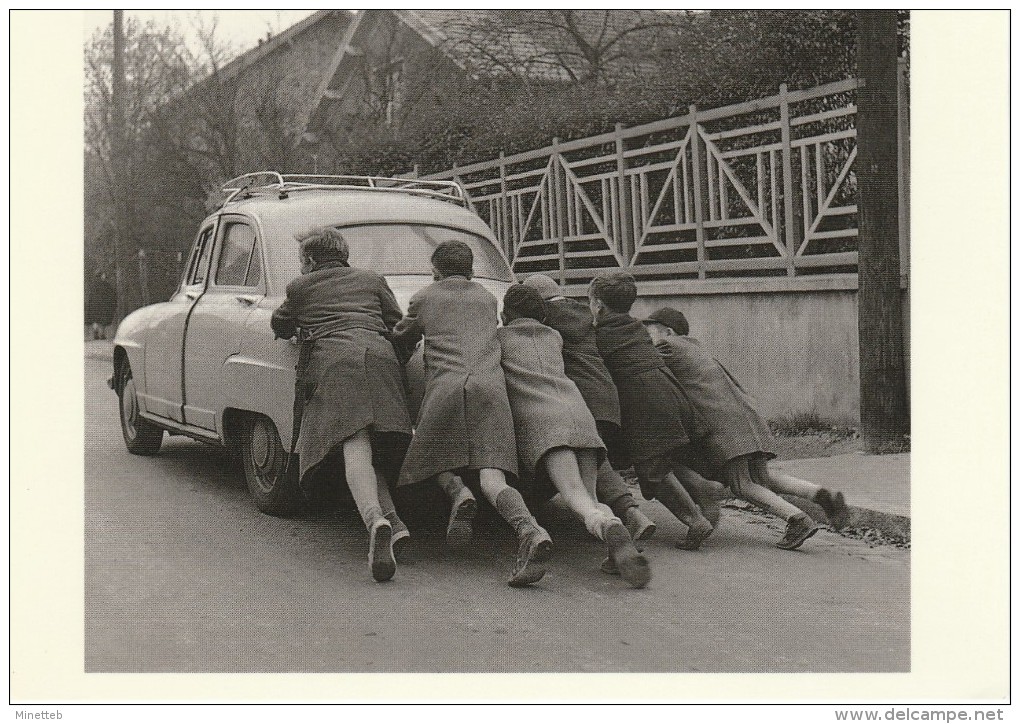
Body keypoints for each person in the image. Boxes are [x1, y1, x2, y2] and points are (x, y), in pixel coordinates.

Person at [391, 240, 552, 587]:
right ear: (471, 269)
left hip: (446, 385)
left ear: (435, 271)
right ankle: (529, 528)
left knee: (430, 452)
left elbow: (403, 337)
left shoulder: (425, 296)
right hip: (490, 389)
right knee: (493, 477)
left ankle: (457, 492)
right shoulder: (486, 297)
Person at [271, 227, 413, 582]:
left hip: (336, 364)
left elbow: (281, 324)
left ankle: (373, 520)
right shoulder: (372, 279)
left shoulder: (301, 288)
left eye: (302, 260)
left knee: (355, 446)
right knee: (371, 451)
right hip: (380, 359)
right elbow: (399, 328)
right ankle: (394, 524)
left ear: (312, 260)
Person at [643, 307, 849, 549]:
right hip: (747, 420)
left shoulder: (668, 347)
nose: (649, 340)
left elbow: (643, 368)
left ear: (668, 332)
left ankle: (797, 520)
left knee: (743, 485)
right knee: (762, 477)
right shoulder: (697, 348)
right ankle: (820, 494)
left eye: (651, 334)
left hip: (725, 426)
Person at [498, 284, 650, 588]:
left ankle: (607, 526)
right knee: (590, 498)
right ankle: (615, 539)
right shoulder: (554, 337)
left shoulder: (499, 339)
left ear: (504, 313)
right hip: (581, 415)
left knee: (574, 497)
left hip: (546, 422)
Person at [521, 274, 657, 545]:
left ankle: (610, 520)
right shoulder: (584, 312)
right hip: (606, 395)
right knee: (596, 461)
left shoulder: (544, 317)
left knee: (586, 469)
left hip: (580, 400)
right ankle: (629, 513)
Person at [588, 272, 715, 550]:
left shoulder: (601, 335)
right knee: (663, 460)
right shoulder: (634, 326)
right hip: (669, 391)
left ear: (598, 305)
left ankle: (696, 521)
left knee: (652, 469)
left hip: (646, 402)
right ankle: (701, 493)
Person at [86, 271, 116, 340]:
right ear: (101, 276)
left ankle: (96, 333)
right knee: (102, 320)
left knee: (95, 320)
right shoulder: (105, 284)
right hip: (102, 305)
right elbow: (111, 294)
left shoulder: (93, 285)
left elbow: (90, 296)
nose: (104, 276)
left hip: (94, 305)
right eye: (103, 275)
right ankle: (102, 334)